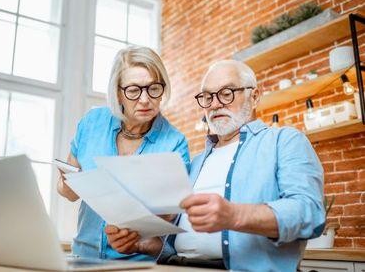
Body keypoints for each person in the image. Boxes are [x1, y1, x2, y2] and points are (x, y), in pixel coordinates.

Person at [106, 60, 325, 271]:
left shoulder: (284, 141)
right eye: (207, 97)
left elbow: (310, 213)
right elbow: (184, 243)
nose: (215, 104)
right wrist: (141, 244)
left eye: (227, 93)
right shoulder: (197, 162)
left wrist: (234, 215)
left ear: (254, 96)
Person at [57, 46, 190, 261]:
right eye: (134, 90)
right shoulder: (92, 123)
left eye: (153, 88)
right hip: (83, 256)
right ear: (118, 92)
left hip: (137, 263)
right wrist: (66, 183)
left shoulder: (175, 143)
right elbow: (68, 192)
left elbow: (171, 215)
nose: (145, 99)